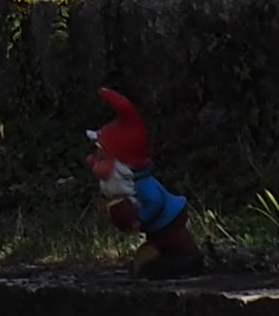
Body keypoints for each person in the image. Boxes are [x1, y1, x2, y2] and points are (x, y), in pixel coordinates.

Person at [86, 88, 206, 274]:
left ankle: (186, 260)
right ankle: (161, 261)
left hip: (169, 221)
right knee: (159, 246)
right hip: (157, 227)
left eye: (102, 158)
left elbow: (156, 201)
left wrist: (139, 219)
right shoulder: (127, 187)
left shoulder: (143, 186)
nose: (94, 163)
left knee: (175, 242)